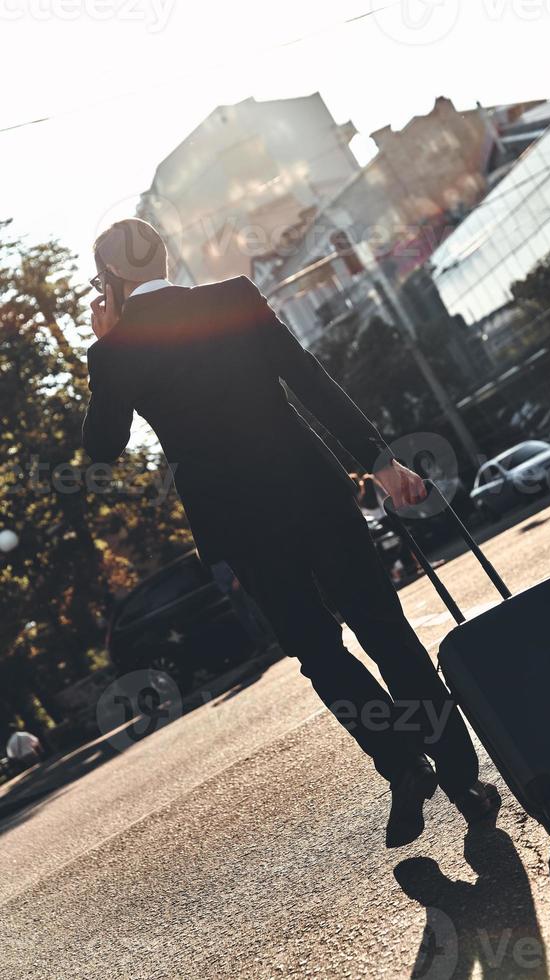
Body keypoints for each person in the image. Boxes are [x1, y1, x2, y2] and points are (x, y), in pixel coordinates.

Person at [82, 218, 499, 847]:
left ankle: (398, 760)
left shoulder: (114, 353)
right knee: (383, 628)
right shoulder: (230, 297)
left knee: (318, 652)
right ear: (163, 259)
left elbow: (104, 447)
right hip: (314, 492)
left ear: (109, 279)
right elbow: (310, 380)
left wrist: (106, 344)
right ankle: (463, 779)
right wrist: (381, 461)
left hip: (239, 526)